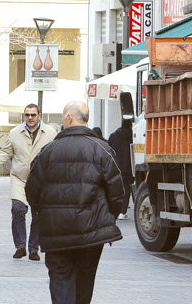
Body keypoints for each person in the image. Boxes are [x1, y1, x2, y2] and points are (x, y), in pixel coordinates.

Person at [26, 101, 124, 304]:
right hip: (91, 231)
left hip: (56, 231)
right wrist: (108, 216)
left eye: (63, 117)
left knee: (60, 279)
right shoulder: (102, 149)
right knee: (85, 279)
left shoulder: (48, 151)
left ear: (69, 118)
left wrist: (42, 213)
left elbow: (31, 190)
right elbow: (117, 192)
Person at [0, 103, 57, 261]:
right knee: (18, 210)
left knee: (39, 214)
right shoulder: (14, 133)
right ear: (24, 116)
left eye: (33, 115)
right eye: (27, 115)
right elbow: (5, 153)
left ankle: (34, 248)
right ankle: (20, 246)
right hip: (19, 178)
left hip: (41, 180)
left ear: (39, 115)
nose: (30, 118)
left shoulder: (50, 133)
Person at [108, 119, 133, 220]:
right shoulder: (133, 136)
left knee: (115, 188)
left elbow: (108, 149)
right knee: (127, 190)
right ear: (130, 125)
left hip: (116, 166)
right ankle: (123, 212)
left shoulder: (113, 135)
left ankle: (114, 210)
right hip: (129, 168)